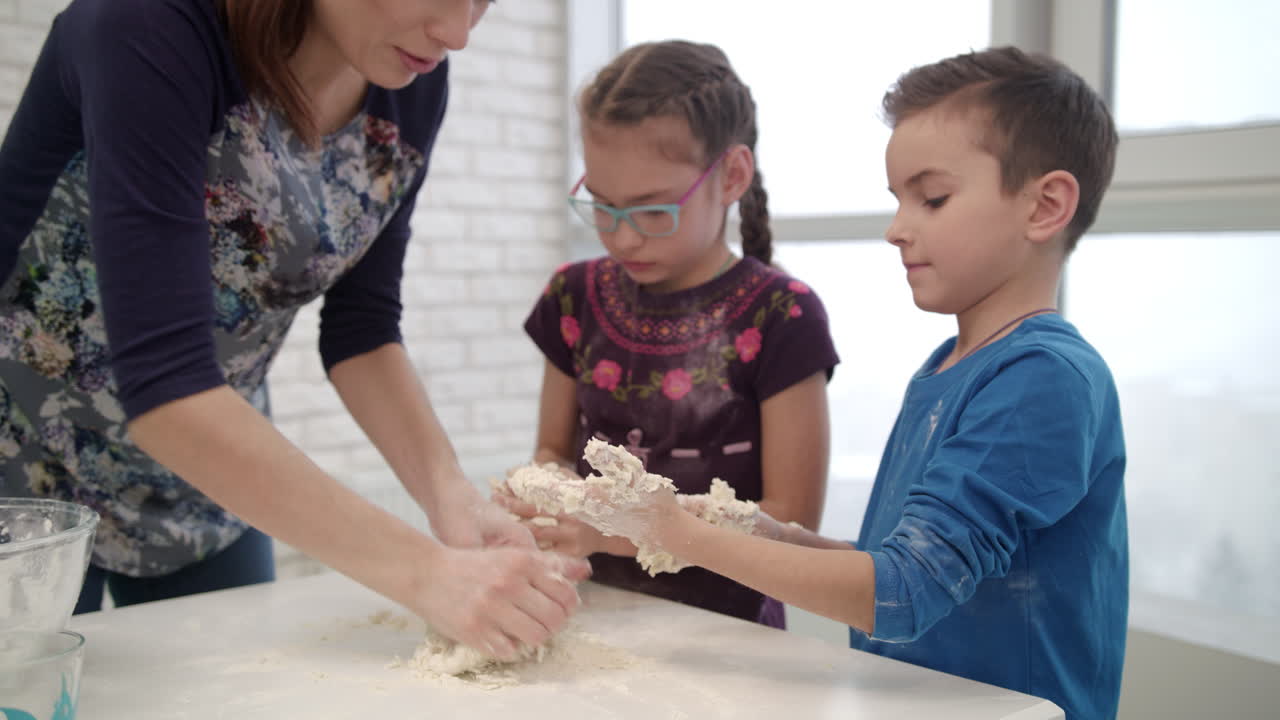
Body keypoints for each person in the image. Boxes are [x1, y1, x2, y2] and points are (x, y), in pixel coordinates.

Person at [0, 0, 587, 660]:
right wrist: (426, 574)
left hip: (208, 483)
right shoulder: (145, 27)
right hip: (19, 472)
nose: (457, 33)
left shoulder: (409, 76)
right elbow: (166, 384)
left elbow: (362, 328)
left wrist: (453, 500)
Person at [572, 46, 1128, 718]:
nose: (897, 229)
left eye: (932, 198)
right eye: (898, 201)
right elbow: (904, 563)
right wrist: (759, 531)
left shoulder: (1042, 380)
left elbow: (903, 591)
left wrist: (675, 534)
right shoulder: (950, 366)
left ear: (1045, 206)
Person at [506, 40, 839, 628]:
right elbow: (553, 452)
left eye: (654, 210)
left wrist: (611, 530)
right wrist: (545, 492)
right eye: (603, 206)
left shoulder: (782, 317)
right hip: (594, 617)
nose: (623, 237)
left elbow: (792, 526)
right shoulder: (572, 297)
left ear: (732, 175)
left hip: (732, 635)